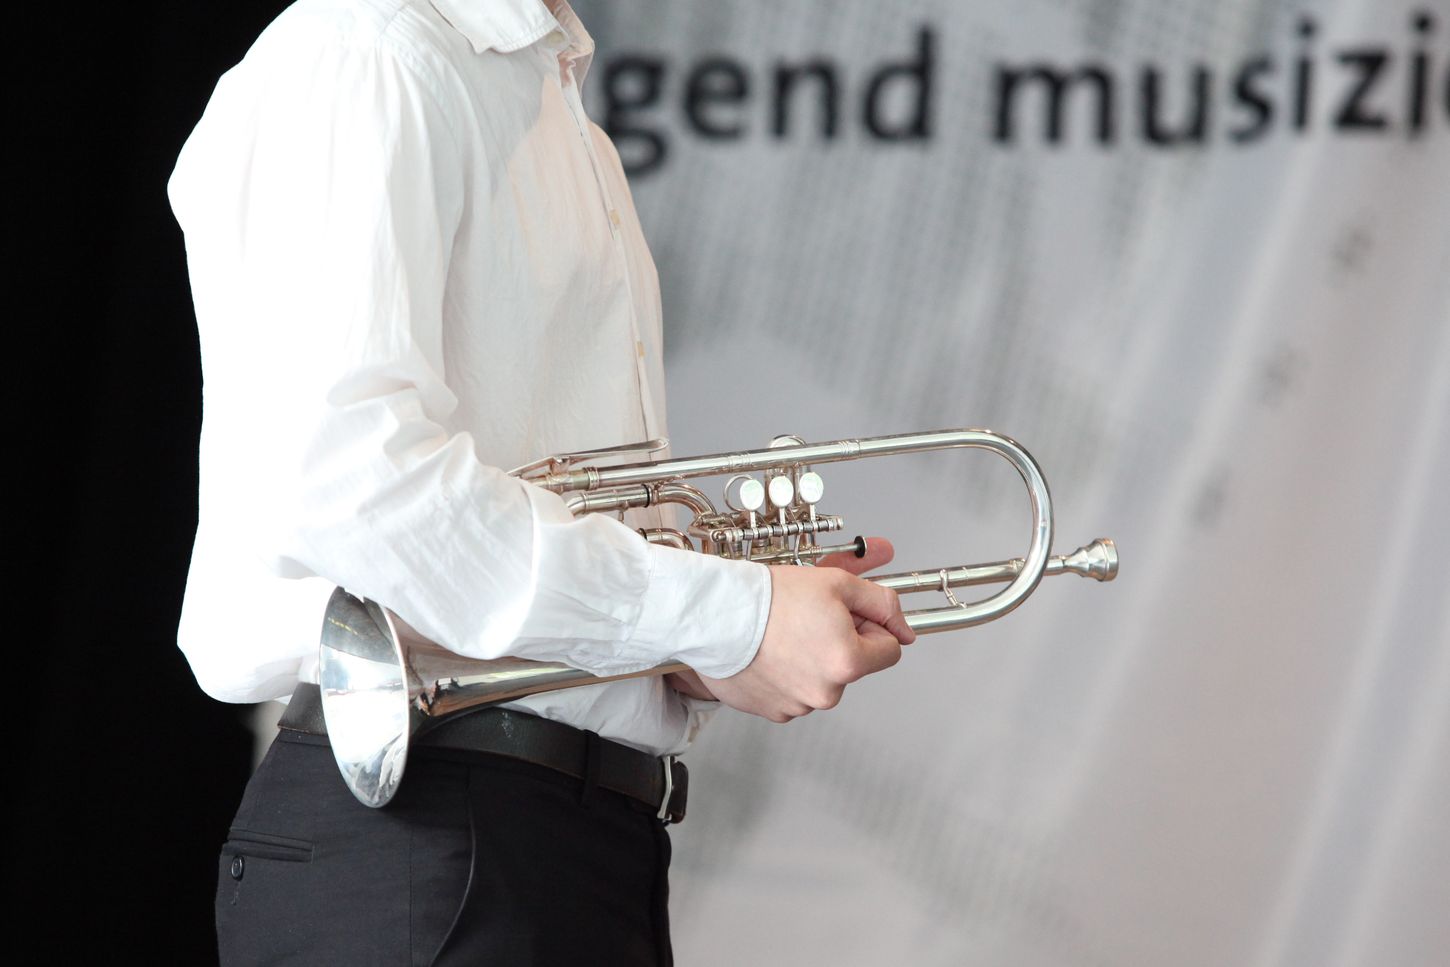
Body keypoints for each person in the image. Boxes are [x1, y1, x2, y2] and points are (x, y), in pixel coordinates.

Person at [170, 0, 914, 963]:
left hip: (560, 840)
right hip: (434, 836)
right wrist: (721, 613)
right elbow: (354, 481)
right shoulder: (366, 50)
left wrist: (703, 638)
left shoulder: (549, 108)